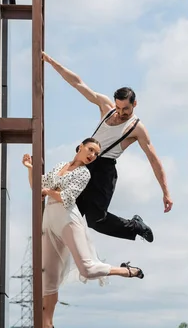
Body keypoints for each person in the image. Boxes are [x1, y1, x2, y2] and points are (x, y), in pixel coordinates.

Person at [22, 138, 144, 328]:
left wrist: (49, 192)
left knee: (87, 269)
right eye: (90, 150)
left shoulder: (84, 173)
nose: (92, 155)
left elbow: (67, 197)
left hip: (68, 220)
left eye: (96, 153)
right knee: (48, 279)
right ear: (79, 147)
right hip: (49, 221)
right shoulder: (62, 165)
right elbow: (38, 186)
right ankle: (46, 327)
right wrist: (30, 168)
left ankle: (126, 270)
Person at [42, 52, 174, 243]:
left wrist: (166, 192)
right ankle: (57, 244)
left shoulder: (137, 128)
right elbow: (77, 83)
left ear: (134, 104)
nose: (120, 113)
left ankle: (135, 226)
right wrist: (51, 61)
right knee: (67, 206)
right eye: (118, 108)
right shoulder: (106, 107)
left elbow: (154, 159)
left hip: (104, 169)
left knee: (96, 221)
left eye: (125, 110)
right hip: (85, 162)